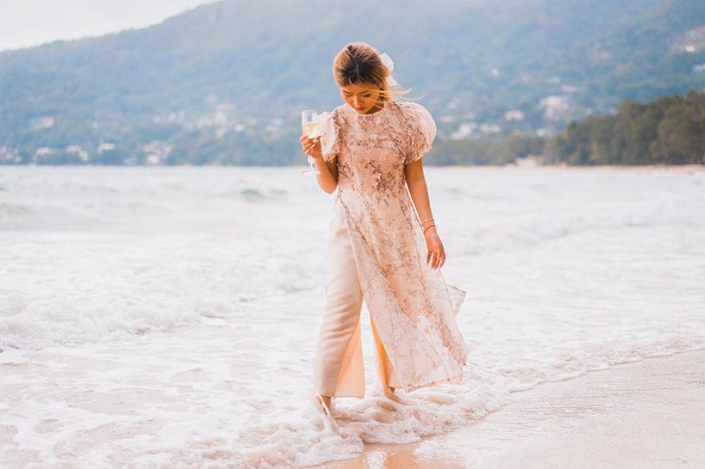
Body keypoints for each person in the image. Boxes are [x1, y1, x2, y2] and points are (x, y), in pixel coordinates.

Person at [300, 42, 468, 417]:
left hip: (395, 226)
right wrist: (315, 158)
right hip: (351, 225)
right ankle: (323, 404)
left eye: (364, 93)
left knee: (390, 308)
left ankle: (392, 397)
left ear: (382, 83)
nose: (355, 102)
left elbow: (416, 178)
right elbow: (331, 186)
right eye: (347, 94)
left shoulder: (408, 121)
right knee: (341, 307)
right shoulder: (335, 123)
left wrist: (430, 229)